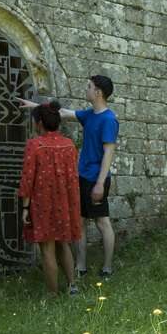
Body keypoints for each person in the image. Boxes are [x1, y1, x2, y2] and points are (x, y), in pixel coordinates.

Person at [18, 75, 119, 279]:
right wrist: (35, 107)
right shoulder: (89, 114)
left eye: (89, 87)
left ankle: (107, 268)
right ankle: (80, 266)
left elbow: (109, 152)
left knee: (102, 222)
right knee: (79, 221)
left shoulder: (109, 119)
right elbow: (61, 113)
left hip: (96, 178)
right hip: (82, 176)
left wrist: (100, 183)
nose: (86, 89)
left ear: (98, 92)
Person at [18, 101, 82, 296]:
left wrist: (25, 208)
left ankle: (53, 294)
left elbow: (28, 178)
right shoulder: (69, 145)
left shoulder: (35, 145)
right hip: (65, 202)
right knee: (64, 243)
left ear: (39, 123)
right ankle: (72, 286)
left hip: (42, 203)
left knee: (47, 249)